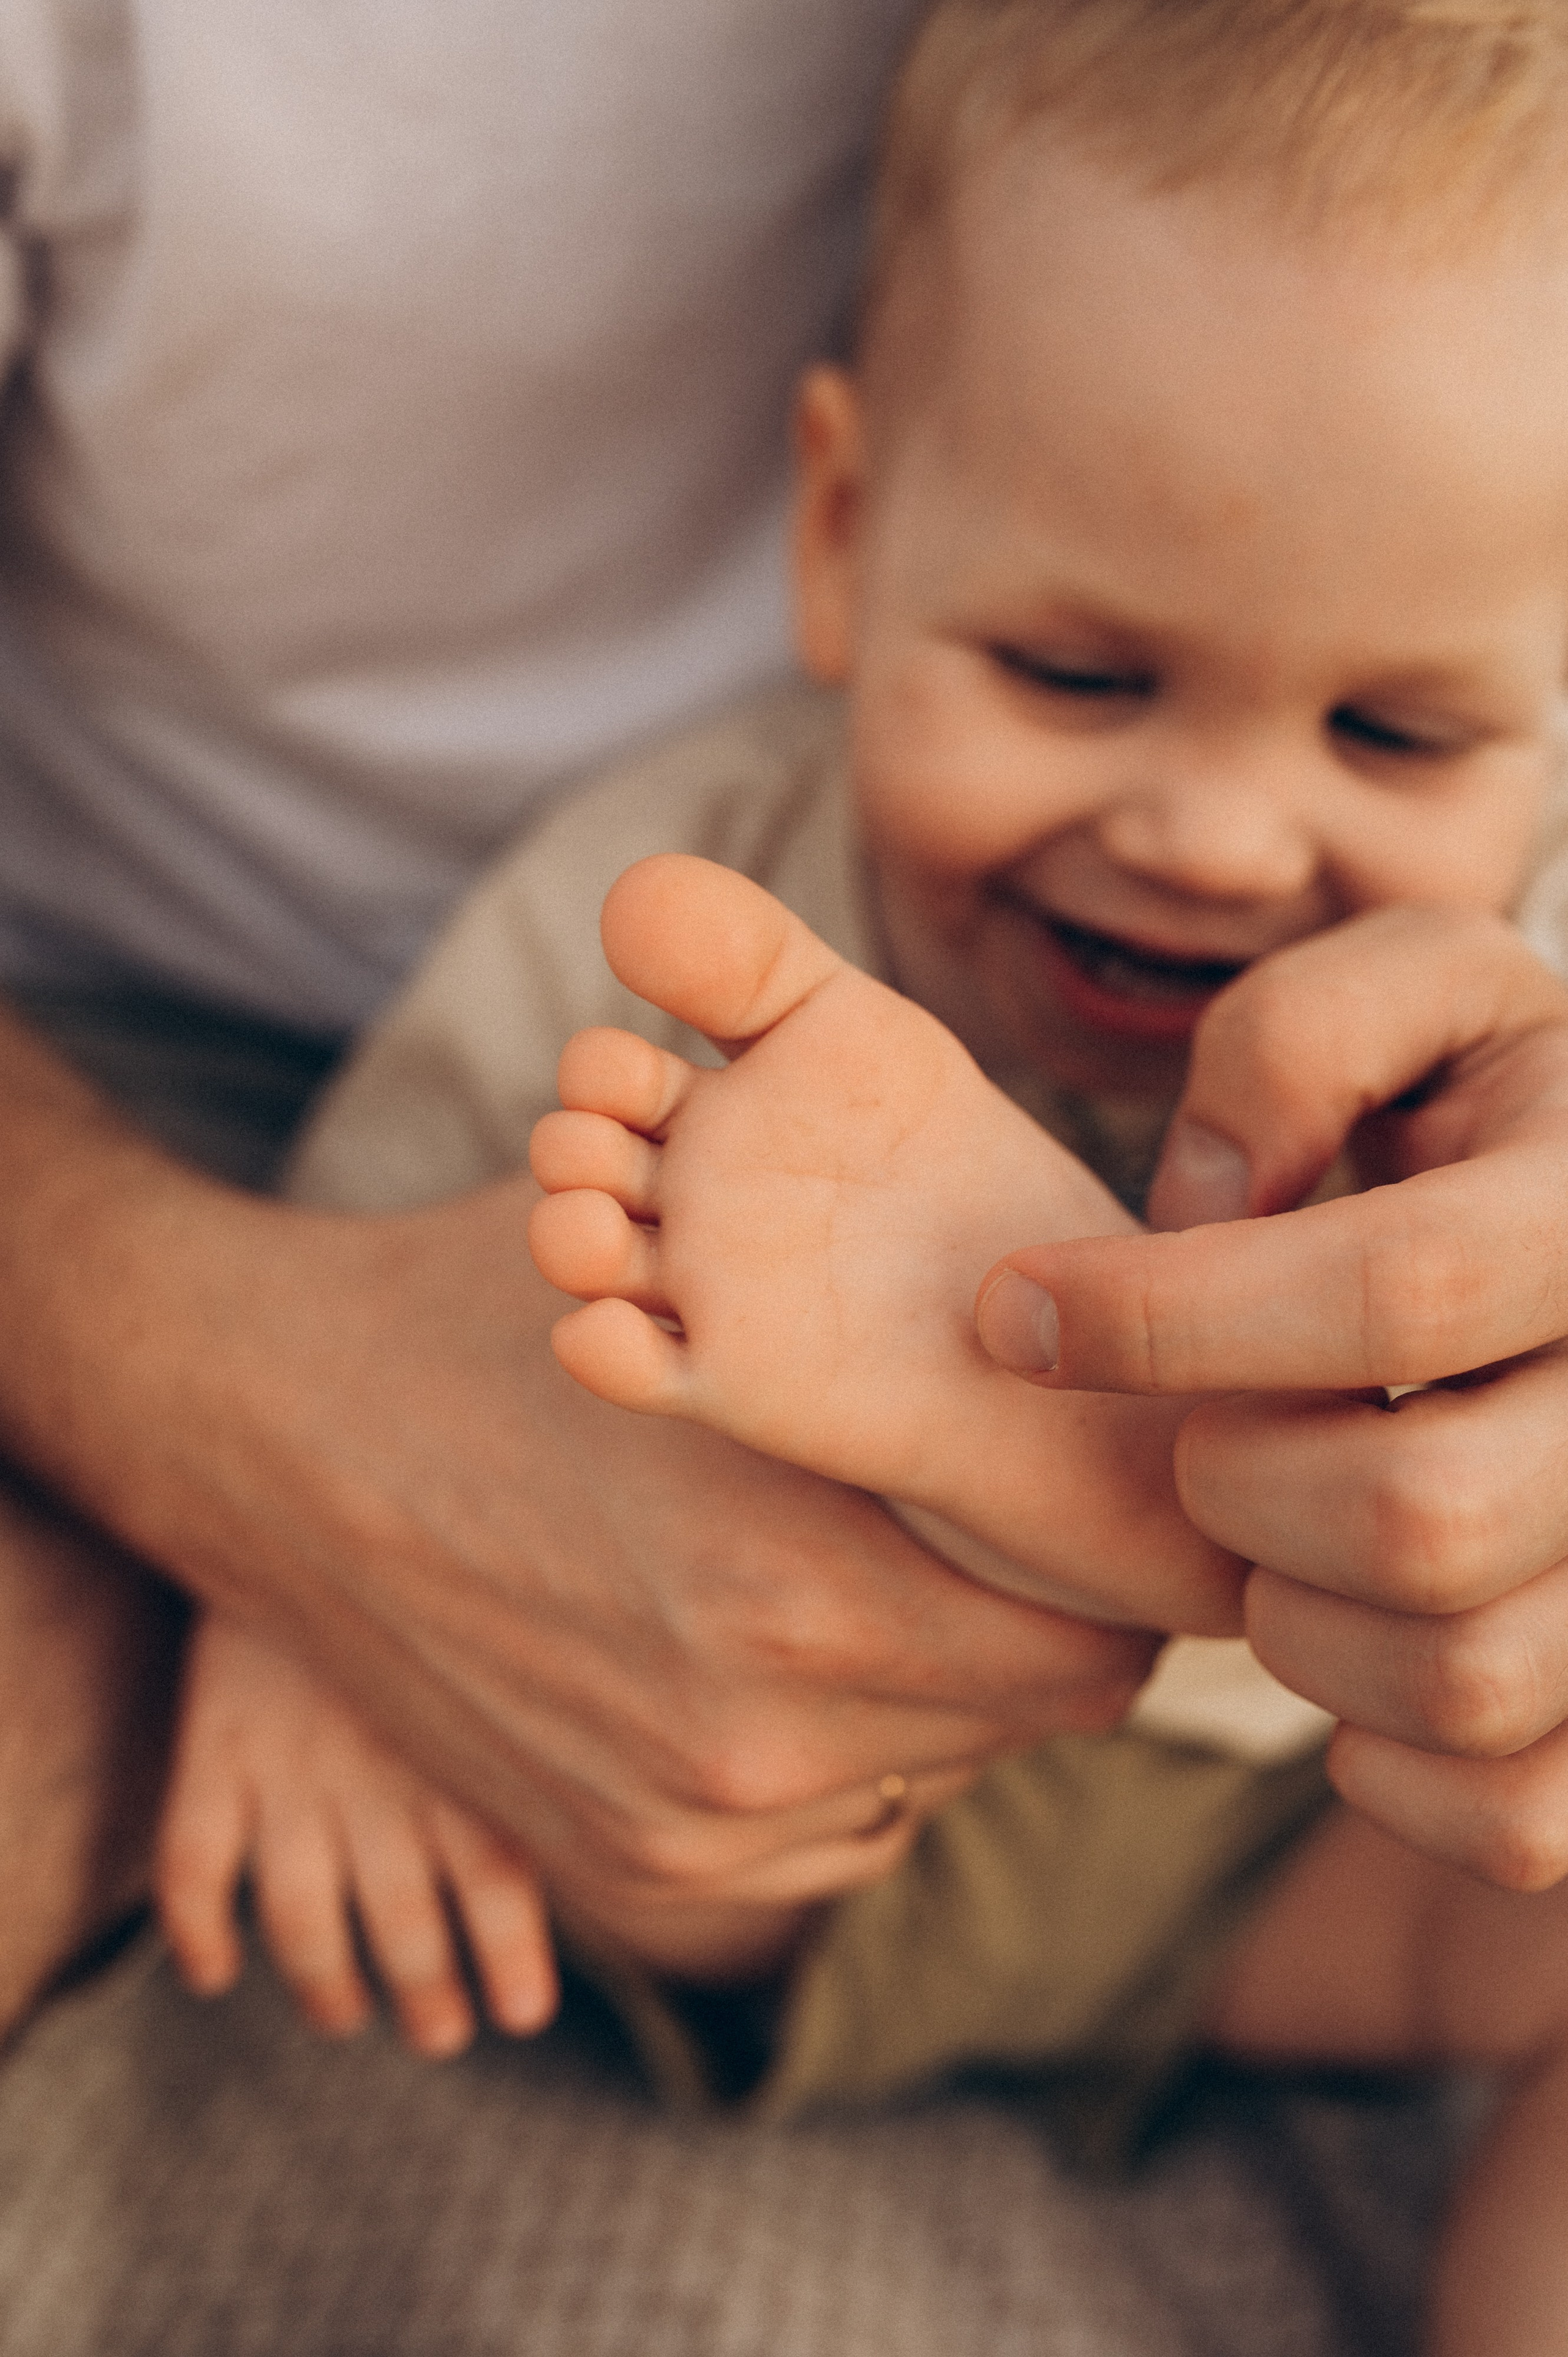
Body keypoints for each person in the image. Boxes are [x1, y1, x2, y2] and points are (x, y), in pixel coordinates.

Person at [168, 0, 1568, 2342]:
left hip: (1283, 1865)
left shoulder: (1505, 1025)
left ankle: (1102, 1444)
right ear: (843, 533)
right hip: (798, 1807)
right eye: (1077, 677)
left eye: (1392, 729)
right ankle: (1083, 1443)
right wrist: (288, 1609)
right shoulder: (697, 909)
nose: (1216, 836)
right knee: (620, 1616)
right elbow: (354, 1294)